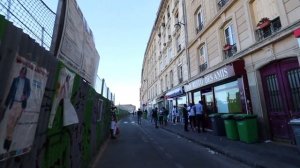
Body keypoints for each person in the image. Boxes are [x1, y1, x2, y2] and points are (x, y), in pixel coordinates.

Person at [3, 67, 31, 151]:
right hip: (13, 103)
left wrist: (25, 96)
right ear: (20, 72)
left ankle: (7, 143)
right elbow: (11, 91)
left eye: (24, 73)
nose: (22, 74)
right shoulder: (15, 80)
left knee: (13, 123)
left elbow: (29, 91)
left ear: (25, 74)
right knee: (9, 123)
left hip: (20, 105)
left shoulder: (27, 81)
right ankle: (8, 139)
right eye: (21, 72)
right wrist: (6, 104)